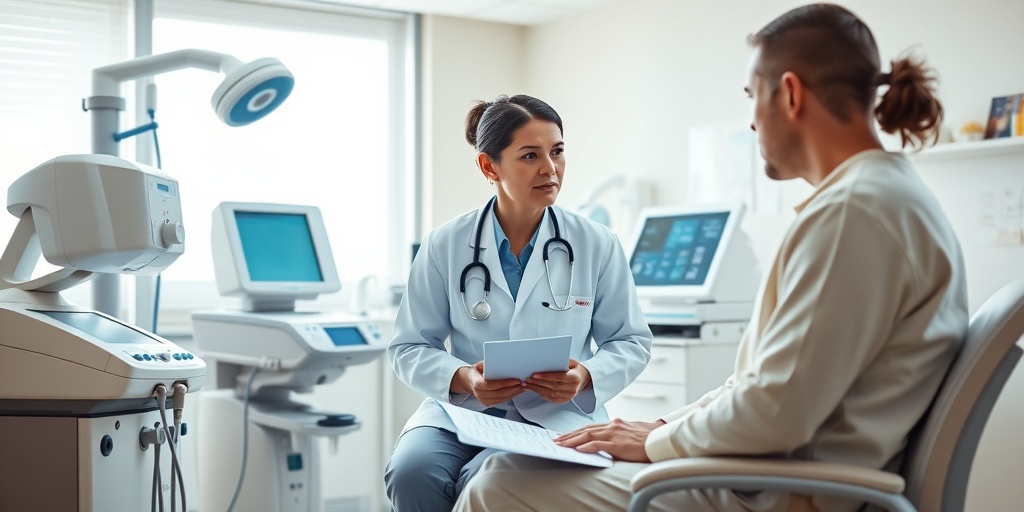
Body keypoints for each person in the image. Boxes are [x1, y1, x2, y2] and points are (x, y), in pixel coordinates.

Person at [453, 4, 969, 512]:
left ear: (789, 93)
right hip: (774, 472)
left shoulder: (853, 214)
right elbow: (763, 389)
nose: (750, 123)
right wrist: (661, 428)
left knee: (498, 484)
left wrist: (654, 444)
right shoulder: (881, 196)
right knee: (516, 468)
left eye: (752, 97)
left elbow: (775, 411)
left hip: (778, 491)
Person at [385, 94, 653, 511]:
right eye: (530, 155)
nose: (550, 168)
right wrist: (463, 378)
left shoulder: (596, 242)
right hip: (461, 411)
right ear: (489, 166)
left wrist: (585, 375)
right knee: (412, 472)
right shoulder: (446, 244)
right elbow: (408, 346)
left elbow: (630, 340)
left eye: (557, 151)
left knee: (488, 478)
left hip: (556, 415)